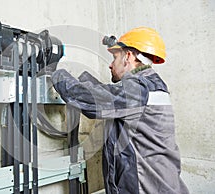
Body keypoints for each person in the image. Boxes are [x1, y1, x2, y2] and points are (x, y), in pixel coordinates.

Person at [51, 27, 189, 194]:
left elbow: (91, 100)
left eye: (115, 57)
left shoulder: (139, 88)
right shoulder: (151, 85)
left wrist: (57, 73)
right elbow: (110, 98)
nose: (110, 64)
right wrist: (83, 77)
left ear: (128, 57)